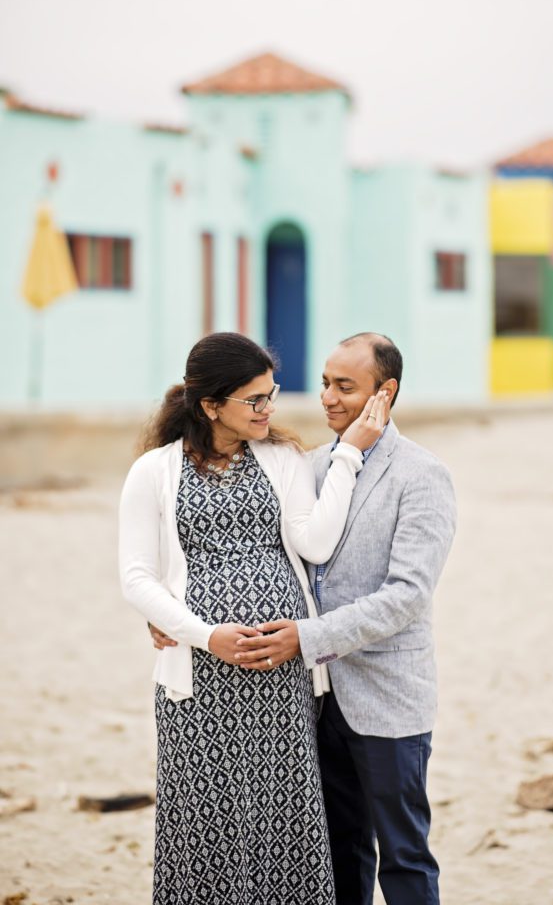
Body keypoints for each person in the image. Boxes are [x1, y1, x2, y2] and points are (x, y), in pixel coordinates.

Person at [152, 332, 456, 905]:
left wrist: (307, 638)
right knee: (339, 852)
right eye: (324, 383)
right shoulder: (307, 465)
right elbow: (277, 551)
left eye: (345, 387)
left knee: (405, 855)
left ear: (383, 394)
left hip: (386, 695)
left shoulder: (422, 475)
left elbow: (406, 596)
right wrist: (170, 613)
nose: (328, 398)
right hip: (309, 700)